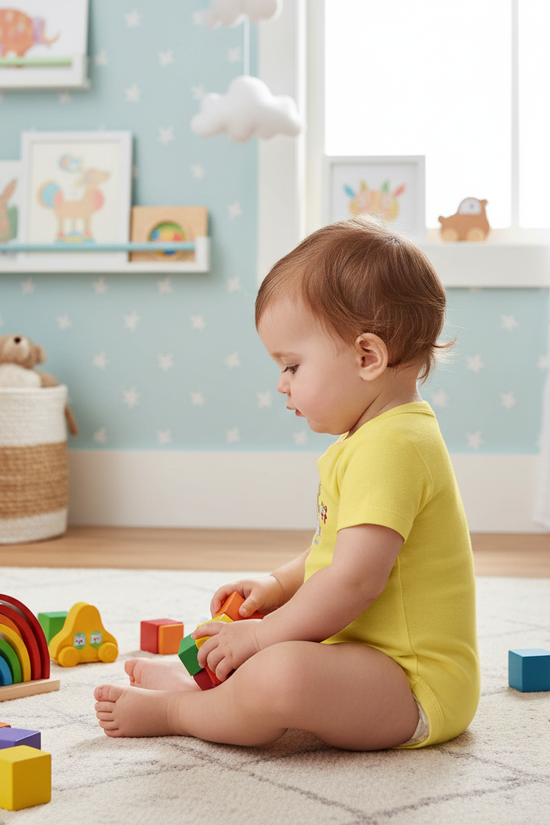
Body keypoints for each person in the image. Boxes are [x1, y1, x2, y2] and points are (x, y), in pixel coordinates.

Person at [94, 216, 480, 750]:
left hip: (416, 688)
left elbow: (352, 583)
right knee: (275, 642)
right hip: (368, 661)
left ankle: (184, 708)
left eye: (293, 365)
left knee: (281, 670)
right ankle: (204, 683)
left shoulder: (394, 448)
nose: (281, 384)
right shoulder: (368, 440)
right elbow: (331, 553)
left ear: (368, 357)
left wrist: (259, 635)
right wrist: (276, 587)